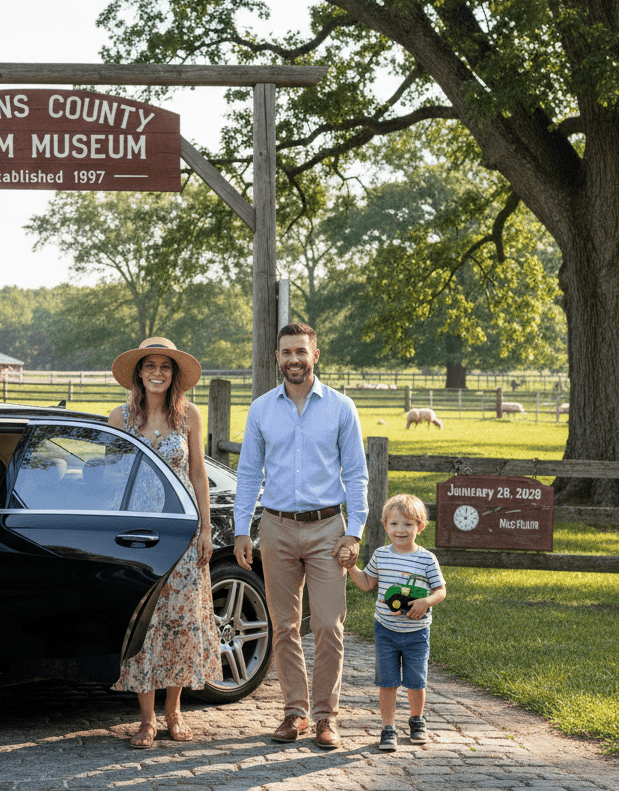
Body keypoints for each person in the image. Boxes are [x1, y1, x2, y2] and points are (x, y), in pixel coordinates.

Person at [232, 322, 367, 750]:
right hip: (277, 528)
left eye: (301, 352)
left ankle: (327, 717)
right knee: (284, 625)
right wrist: (241, 530)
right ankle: (295, 712)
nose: (294, 359)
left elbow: (358, 475)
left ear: (315, 355)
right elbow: (249, 473)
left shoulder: (342, 408)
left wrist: (356, 533)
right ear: (277, 357)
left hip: (329, 528)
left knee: (329, 625)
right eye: (286, 352)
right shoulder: (261, 409)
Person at [108, 337, 221, 749]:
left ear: (174, 375)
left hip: (181, 532)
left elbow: (197, 475)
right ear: (139, 372)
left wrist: (205, 529)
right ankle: (146, 719)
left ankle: (174, 710)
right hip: (137, 536)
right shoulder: (119, 417)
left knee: (180, 622)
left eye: (165, 367)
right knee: (143, 622)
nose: (157, 373)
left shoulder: (189, 414)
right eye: (150, 365)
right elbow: (114, 478)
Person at [346, 493, 447, 751]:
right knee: (387, 682)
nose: (400, 530)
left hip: (416, 633)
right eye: (394, 524)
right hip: (386, 631)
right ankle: (388, 728)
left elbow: (440, 591)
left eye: (408, 524)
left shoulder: (426, 559)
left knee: (416, 681)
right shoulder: (381, 555)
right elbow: (368, 583)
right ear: (385, 526)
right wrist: (350, 567)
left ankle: (416, 720)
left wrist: (426, 602)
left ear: (420, 527)